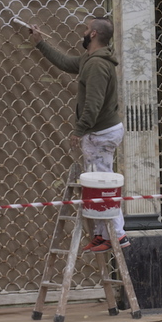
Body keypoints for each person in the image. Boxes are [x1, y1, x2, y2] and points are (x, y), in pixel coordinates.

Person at [29, 17, 129, 253]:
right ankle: (101, 233)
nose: (82, 33)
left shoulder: (96, 65)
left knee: (103, 183)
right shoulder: (91, 60)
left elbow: (93, 104)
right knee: (97, 182)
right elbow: (66, 62)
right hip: (101, 131)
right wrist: (40, 42)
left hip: (100, 132)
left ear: (93, 34)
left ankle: (117, 234)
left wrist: (79, 129)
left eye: (85, 29)